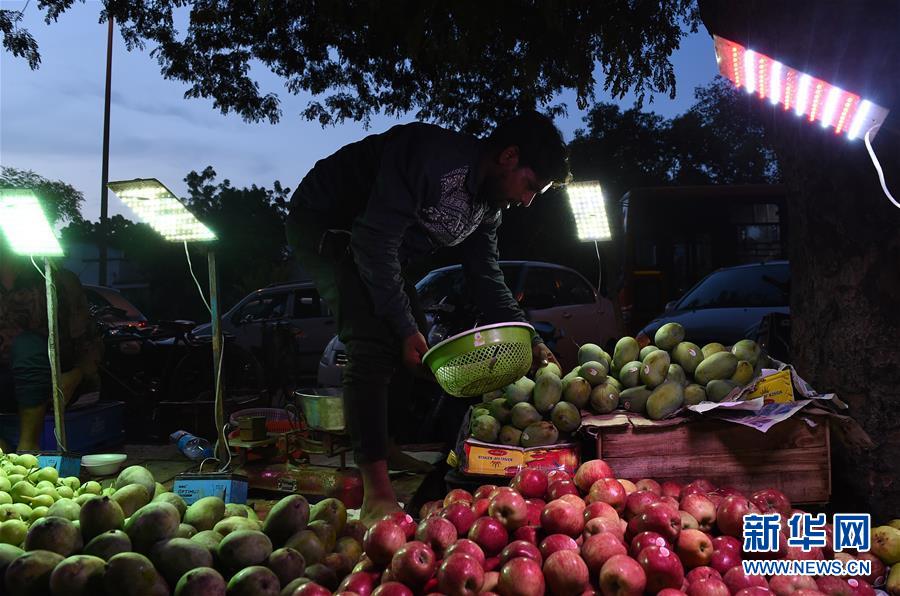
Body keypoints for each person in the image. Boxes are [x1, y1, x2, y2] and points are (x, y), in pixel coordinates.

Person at [286, 111, 570, 524]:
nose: (527, 201)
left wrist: (531, 338)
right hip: (328, 226)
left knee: (419, 344)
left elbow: (486, 277)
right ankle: (375, 491)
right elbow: (373, 242)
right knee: (374, 339)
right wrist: (401, 328)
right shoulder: (432, 159)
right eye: (530, 186)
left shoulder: (487, 210)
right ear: (508, 156)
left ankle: (387, 445)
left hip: (382, 249)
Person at [0, 244, 99, 451]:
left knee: (27, 345)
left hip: (54, 379)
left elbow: (91, 342)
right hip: (5, 382)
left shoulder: (59, 280)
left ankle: (28, 448)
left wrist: (78, 374)